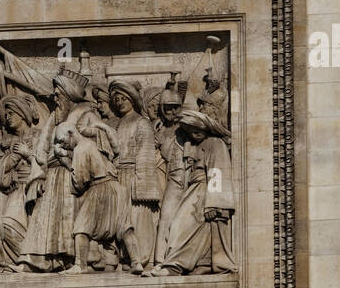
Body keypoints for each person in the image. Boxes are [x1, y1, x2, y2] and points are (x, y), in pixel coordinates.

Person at [17, 71, 110, 271]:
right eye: (55, 95)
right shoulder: (53, 120)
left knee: (73, 219)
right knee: (46, 219)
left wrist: (73, 159)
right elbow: (42, 150)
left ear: (69, 96)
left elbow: (99, 146)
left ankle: (74, 259)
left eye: (59, 95)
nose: (55, 99)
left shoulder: (88, 116)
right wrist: (38, 175)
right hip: (51, 175)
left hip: (76, 175)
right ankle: (42, 260)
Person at [151, 110, 237, 276]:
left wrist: (213, 204)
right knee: (179, 225)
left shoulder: (214, 143)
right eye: (189, 131)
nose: (193, 134)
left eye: (196, 129)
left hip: (204, 192)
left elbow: (217, 171)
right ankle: (199, 262)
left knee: (181, 226)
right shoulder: (196, 145)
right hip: (193, 191)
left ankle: (174, 266)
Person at [54, 123, 135, 274]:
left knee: (81, 227)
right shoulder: (94, 142)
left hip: (100, 188)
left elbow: (80, 180)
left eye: (64, 142)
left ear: (71, 133)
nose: (66, 147)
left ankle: (80, 265)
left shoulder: (80, 148)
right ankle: (136, 262)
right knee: (124, 226)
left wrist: (66, 161)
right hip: (117, 188)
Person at [109, 80, 160, 273]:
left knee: (138, 218)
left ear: (132, 100)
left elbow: (145, 155)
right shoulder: (117, 124)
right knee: (121, 220)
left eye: (124, 98)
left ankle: (143, 259)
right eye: (117, 99)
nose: (120, 102)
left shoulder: (141, 122)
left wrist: (141, 183)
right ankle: (126, 257)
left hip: (135, 177)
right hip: (118, 175)